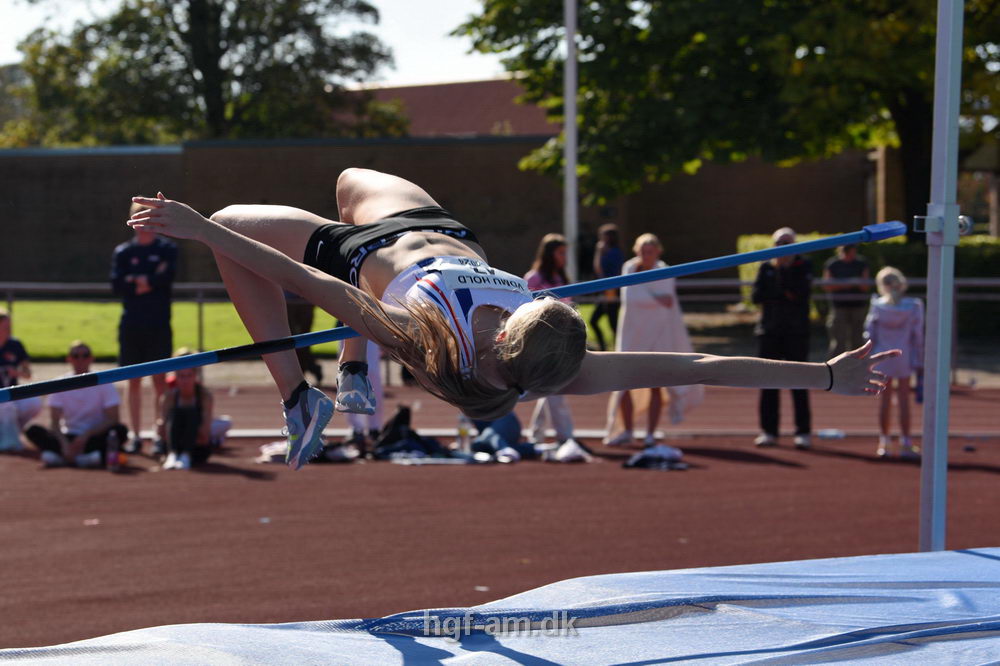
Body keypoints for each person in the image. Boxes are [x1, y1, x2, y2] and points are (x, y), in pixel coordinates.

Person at [126, 168, 897, 470]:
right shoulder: (566, 367)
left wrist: (197, 227)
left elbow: (298, 276)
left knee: (237, 227)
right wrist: (824, 376)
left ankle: (300, 396)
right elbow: (701, 366)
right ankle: (352, 372)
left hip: (367, 252)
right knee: (347, 182)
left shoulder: (426, 339)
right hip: (427, 225)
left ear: (505, 332)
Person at [604, 234, 703, 447]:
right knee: (624, 383)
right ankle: (627, 430)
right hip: (632, 333)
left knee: (656, 384)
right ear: (636, 251)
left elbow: (667, 302)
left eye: (650, 251)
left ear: (658, 252)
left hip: (657, 334)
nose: (646, 255)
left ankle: (650, 433)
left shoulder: (665, 271)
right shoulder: (629, 268)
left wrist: (650, 298)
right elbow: (631, 298)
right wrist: (654, 298)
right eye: (642, 251)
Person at [111, 203, 178, 454]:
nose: (145, 225)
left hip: (158, 323)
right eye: (139, 219)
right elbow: (117, 285)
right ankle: (135, 435)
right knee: (133, 381)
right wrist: (148, 280)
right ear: (132, 221)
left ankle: (159, 434)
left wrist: (138, 280)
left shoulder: (167, 249)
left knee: (160, 379)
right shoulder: (124, 252)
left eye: (149, 219)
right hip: (132, 324)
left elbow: (166, 278)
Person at [752, 227, 814, 449]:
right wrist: (780, 290)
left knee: (799, 381)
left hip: (796, 332)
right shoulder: (766, 267)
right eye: (778, 243)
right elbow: (756, 296)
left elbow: (800, 294)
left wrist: (784, 275)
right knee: (768, 382)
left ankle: (803, 431)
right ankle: (769, 431)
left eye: (787, 243)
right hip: (770, 331)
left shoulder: (803, 266)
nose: (782, 248)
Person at [23, 341, 128, 468]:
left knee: (120, 431)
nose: (80, 359)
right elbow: (54, 422)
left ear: (91, 358)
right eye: (75, 356)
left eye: (85, 355)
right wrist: (64, 444)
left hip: (94, 436)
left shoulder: (104, 382)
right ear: (69, 359)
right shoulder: (59, 384)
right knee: (32, 430)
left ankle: (62, 456)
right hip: (69, 436)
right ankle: (89, 457)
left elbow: (113, 419)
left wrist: (87, 435)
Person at [865, 267, 923, 459]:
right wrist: (919, 360)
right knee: (904, 400)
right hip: (903, 356)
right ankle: (906, 442)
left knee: (885, 400)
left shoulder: (877, 305)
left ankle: (885, 443)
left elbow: (869, 334)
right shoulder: (914, 306)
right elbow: (917, 336)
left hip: (883, 357)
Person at [524, 233, 576, 444]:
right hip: (542, 340)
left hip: (562, 338)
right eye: (561, 253)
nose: (564, 257)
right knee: (555, 388)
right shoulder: (534, 278)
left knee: (547, 389)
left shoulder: (561, 277)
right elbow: (525, 308)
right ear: (549, 254)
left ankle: (536, 435)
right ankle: (566, 437)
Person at [156, 350, 217, 470]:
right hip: (172, 444)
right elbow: (162, 431)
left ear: (195, 376)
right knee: (175, 414)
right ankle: (172, 454)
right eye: (181, 376)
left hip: (197, 448)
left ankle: (186, 455)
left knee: (191, 414)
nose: (185, 381)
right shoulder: (169, 397)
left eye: (189, 376)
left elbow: (204, 435)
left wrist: (188, 433)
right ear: (175, 376)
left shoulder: (204, 396)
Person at [822, 244, 870, 356]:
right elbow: (827, 285)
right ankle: (835, 364)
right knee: (838, 339)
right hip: (839, 307)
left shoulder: (861, 263)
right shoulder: (833, 264)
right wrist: (850, 283)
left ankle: (858, 363)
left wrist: (841, 284)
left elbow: (865, 286)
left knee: (858, 339)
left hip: (858, 306)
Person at [0, 309, 42, 430]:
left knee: (33, 403)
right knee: (6, 408)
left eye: (10, 326)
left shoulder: (15, 344)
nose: (9, 329)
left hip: (11, 394)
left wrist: (16, 373)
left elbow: (28, 374)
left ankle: (14, 430)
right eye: (5, 327)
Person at [589, 223, 624, 351]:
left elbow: (599, 270)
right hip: (605, 292)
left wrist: (599, 252)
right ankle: (603, 347)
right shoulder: (608, 252)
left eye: (602, 236)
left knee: (613, 325)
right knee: (594, 321)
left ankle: (619, 349)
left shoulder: (614, 253)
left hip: (611, 292)